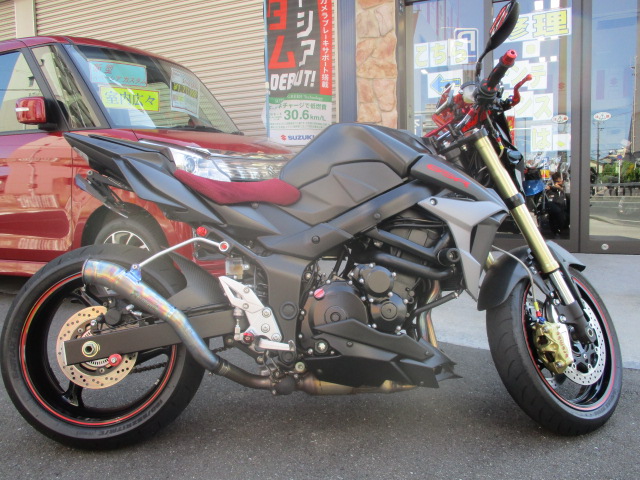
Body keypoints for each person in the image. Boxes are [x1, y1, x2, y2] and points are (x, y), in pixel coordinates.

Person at [545, 172, 568, 236]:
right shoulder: (551, 189)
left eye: (558, 182)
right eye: (555, 181)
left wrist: (560, 188)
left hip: (563, 208)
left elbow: (567, 193)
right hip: (554, 208)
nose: (556, 184)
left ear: (563, 181)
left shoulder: (565, 188)